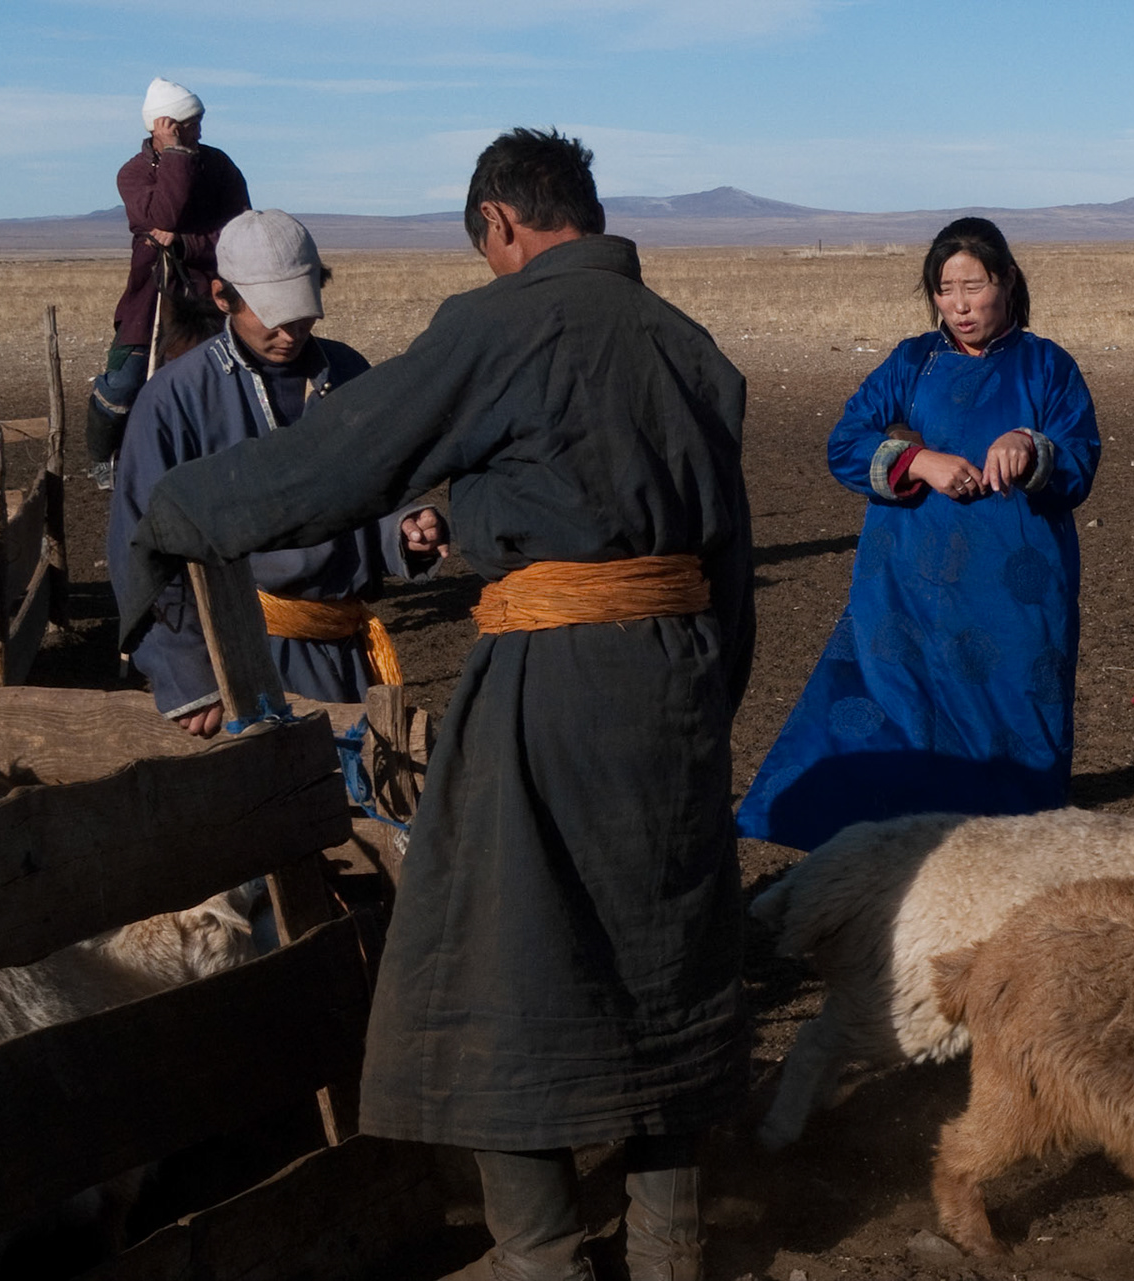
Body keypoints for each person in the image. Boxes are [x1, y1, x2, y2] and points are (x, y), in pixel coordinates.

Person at [117, 129, 754, 1281]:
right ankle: (672, 1250)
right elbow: (734, 569)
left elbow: (338, 461)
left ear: (501, 224)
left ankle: (544, 1256)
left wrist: (174, 518)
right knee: (662, 956)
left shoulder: (503, 325)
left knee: (486, 958)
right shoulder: (688, 345)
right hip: (680, 686)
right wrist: (704, 707)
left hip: (551, 685)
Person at [734, 217, 1100, 853]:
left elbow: (1078, 463)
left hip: (1014, 600)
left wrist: (1028, 444)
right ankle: (893, 866)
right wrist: (918, 462)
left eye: (974, 286)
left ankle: (1012, 872)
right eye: (945, 289)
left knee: (1017, 727)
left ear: (1008, 282)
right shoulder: (912, 362)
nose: (959, 305)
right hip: (908, 591)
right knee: (900, 722)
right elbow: (845, 444)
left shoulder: (1047, 368)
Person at [106, 209, 443, 736]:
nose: (291, 333)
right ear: (223, 297)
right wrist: (184, 675)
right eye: (274, 317)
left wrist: (403, 527)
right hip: (238, 660)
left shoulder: (348, 372)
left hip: (345, 650)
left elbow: (380, 483)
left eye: (303, 316)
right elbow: (138, 543)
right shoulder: (173, 400)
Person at [88, 77, 251, 490]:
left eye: (198, 123)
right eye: (190, 125)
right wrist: (177, 155)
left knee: (242, 370)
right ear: (166, 126)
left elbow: (240, 229)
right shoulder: (133, 173)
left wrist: (187, 244)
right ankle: (103, 458)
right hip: (152, 295)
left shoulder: (219, 166)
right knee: (124, 383)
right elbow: (165, 215)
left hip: (211, 290)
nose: (199, 132)